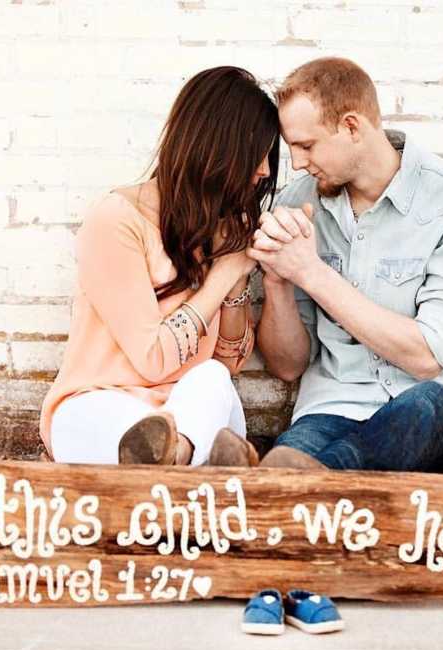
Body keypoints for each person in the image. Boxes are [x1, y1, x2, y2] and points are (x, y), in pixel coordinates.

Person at [250, 57, 443, 475]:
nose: (297, 163)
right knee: (299, 446)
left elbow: (427, 357)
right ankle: (284, 483)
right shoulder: (298, 203)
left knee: (424, 407)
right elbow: (287, 365)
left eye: (306, 145)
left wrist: (311, 272)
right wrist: (278, 280)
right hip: (337, 406)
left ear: (351, 127)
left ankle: (279, 484)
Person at [39, 66, 279, 467]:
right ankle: (188, 462)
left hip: (189, 412)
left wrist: (237, 273)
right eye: (256, 153)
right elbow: (152, 359)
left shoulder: (218, 228)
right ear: (217, 147)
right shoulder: (115, 220)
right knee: (124, 429)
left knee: (211, 379)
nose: (265, 171)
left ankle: (174, 457)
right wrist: (222, 277)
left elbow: (229, 362)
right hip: (102, 407)